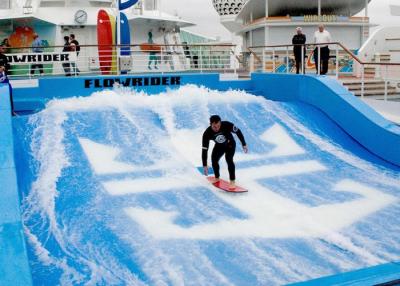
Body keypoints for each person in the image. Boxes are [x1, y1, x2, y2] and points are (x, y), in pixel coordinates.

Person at [202, 115, 248, 189]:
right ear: (210, 124)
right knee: (214, 159)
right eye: (214, 126)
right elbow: (204, 150)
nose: (217, 128)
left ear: (220, 123)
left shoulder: (226, 124)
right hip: (219, 146)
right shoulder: (207, 133)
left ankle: (232, 181)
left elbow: (238, 131)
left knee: (229, 159)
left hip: (230, 144)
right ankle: (217, 177)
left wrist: (244, 144)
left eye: (218, 126)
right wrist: (204, 165)